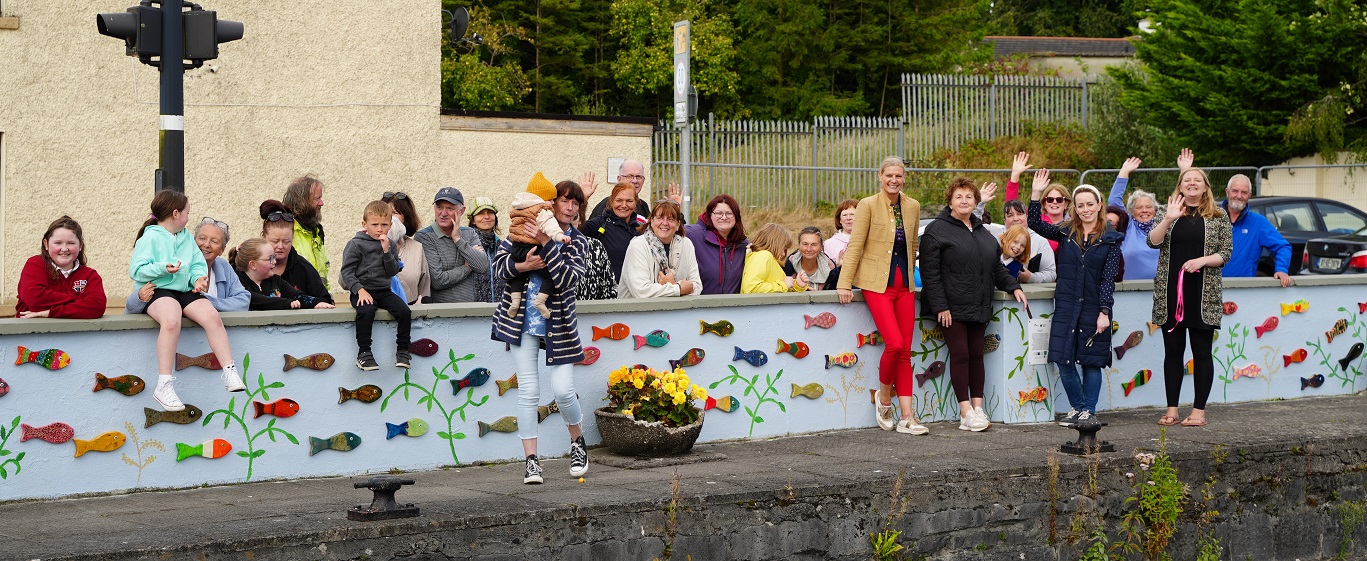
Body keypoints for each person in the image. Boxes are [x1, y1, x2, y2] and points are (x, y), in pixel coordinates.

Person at [490, 201, 590, 485]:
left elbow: (568, 279)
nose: (569, 208)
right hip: (521, 324)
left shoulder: (577, 241)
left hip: (559, 326)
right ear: (551, 205)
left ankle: (577, 441)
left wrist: (547, 243)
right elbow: (499, 268)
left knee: (563, 391)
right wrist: (524, 265)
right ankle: (531, 462)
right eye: (564, 201)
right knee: (528, 392)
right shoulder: (519, 231)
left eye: (575, 203)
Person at [919, 177, 1027, 433]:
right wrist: (940, 306)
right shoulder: (937, 230)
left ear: (976, 201)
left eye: (969, 197)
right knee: (961, 355)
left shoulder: (982, 231)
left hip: (979, 305)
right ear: (950, 202)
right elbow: (930, 273)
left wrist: (1014, 287)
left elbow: (996, 267)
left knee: (977, 356)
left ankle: (978, 407)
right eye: (959, 197)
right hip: (951, 308)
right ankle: (965, 411)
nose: (964, 201)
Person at [129, 190, 245, 411]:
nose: (189, 217)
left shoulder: (185, 237)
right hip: (159, 288)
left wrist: (198, 279)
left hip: (184, 290)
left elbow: (197, 264)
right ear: (175, 214)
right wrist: (163, 268)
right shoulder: (150, 237)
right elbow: (137, 270)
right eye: (187, 213)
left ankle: (229, 370)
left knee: (211, 314)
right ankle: (164, 384)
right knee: (172, 320)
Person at [836, 156, 927, 435]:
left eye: (899, 176)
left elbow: (912, 246)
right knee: (895, 344)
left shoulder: (912, 206)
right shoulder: (867, 205)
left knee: (906, 351)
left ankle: (908, 416)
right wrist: (845, 283)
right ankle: (884, 400)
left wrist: (912, 277)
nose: (894, 180)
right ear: (880, 176)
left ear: (904, 178)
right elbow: (856, 245)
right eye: (889, 175)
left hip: (905, 286)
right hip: (877, 285)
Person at [1028, 172, 1124, 426]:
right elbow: (1035, 223)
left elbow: (1107, 280)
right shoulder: (1065, 233)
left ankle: (1088, 410)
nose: (1085, 209)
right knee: (1063, 358)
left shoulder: (1111, 240)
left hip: (1094, 307)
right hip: (1067, 305)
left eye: (1090, 204)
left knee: (1092, 362)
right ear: (1074, 208)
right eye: (1080, 205)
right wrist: (1036, 194)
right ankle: (1077, 407)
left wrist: (1104, 311)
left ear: (1099, 205)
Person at [1149, 163, 1232, 428]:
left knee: (1202, 353)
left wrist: (1203, 261)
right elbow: (1153, 241)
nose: (1192, 183)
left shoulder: (1218, 216)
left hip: (1203, 295)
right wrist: (1168, 218)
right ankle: (1172, 409)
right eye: (1187, 180)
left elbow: (1225, 254)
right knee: (1173, 353)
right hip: (1170, 293)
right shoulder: (1167, 210)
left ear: (1206, 186)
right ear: (1180, 186)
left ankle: (1199, 411)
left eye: (1197, 180)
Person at [341, 201, 413, 371]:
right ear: (364, 225)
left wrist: (387, 251)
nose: (379, 229)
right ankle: (364, 353)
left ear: (390, 225)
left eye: (384, 225)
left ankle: (403, 350)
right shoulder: (356, 244)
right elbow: (347, 272)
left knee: (404, 311)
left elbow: (392, 271)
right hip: (361, 291)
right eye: (375, 225)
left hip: (383, 291)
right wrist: (360, 290)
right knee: (366, 311)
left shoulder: (390, 245)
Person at [127, 216, 250, 314]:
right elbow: (132, 306)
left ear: (222, 250)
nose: (206, 245)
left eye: (214, 241)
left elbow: (243, 300)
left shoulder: (223, 266)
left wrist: (204, 302)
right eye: (202, 238)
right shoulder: (178, 265)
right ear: (192, 241)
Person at [505, 172, 573, 316]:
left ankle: (514, 301)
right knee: (549, 275)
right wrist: (558, 237)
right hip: (534, 248)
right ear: (542, 199)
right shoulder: (542, 210)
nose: (553, 203)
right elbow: (498, 268)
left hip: (517, 247)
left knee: (518, 276)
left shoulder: (519, 208)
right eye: (552, 199)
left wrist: (520, 267)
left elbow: (569, 278)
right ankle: (540, 301)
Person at [17, 216, 107, 319]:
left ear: (80, 245)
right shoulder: (35, 265)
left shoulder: (90, 275)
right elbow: (35, 299)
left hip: (75, 334)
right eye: (58, 243)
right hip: (33, 333)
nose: (64, 249)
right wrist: (77, 297)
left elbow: (97, 306)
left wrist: (49, 313)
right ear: (46, 244)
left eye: (71, 243)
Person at [415, 187, 491, 303]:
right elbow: (438, 281)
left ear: (462, 211)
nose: (443, 213)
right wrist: (467, 267)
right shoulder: (425, 236)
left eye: (450, 208)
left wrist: (458, 239)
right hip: (439, 315)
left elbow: (483, 267)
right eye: (439, 207)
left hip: (469, 312)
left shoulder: (469, 233)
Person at [618, 200, 701, 298]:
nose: (665, 223)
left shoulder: (686, 244)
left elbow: (697, 286)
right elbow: (641, 291)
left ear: (678, 224)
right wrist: (677, 288)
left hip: (676, 312)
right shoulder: (638, 245)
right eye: (660, 218)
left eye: (670, 219)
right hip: (637, 312)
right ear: (651, 221)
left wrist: (672, 285)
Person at [1221, 173, 1293, 286]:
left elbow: (1283, 247)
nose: (1239, 196)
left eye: (1244, 192)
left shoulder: (1258, 223)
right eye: (1235, 191)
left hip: (1244, 290)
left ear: (1249, 195)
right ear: (1227, 192)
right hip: (1212, 290)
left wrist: (1281, 269)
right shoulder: (1212, 218)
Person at [259, 200, 334, 305]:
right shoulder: (250, 266)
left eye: (286, 242)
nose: (280, 246)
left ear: (293, 238)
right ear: (263, 237)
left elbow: (325, 300)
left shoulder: (303, 269)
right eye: (275, 241)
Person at [232, 238, 334, 311]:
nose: (275, 262)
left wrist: (317, 302)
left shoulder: (276, 281)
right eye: (270, 259)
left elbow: (296, 295)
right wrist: (286, 303)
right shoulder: (237, 283)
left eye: (274, 258)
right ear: (253, 264)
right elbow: (256, 300)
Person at [977, 198, 1057, 284]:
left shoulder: (1040, 241)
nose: (1016, 219)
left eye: (1019, 214)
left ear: (1027, 217)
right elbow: (972, 226)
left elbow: (1051, 274)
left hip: (1026, 293)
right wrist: (980, 203)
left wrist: (1031, 277)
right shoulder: (995, 233)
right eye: (1010, 215)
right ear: (1004, 220)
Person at [1108, 156, 1161, 281]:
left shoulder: (1163, 224)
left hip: (1161, 289)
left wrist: (1185, 171)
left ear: (1155, 209)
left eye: (1148, 207)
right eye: (1139, 207)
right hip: (1130, 290)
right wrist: (1124, 172)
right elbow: (1114, 202)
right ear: (1131, 211)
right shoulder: (1128, 225)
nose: (1144, 210)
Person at [683, 194, 748, 294]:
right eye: (718, 213)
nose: (724, 217)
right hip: (698, 306)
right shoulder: (692, 235)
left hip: (731, 308)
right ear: (710, 215)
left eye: (729, 213)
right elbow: (669, 231)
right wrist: (675, 209)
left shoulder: (743, 245)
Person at [582, 182, 644, 282]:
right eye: (619, 200)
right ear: (611, 202)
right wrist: (583, 200)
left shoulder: (640, 228)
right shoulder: (600, 223)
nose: (624, 205)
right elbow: (574, 231)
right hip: (607, 293)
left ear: (635, 202)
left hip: (635, 291)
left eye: (629, 201)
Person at [584, 159, 682, 221]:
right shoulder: (605, 205)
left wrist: (674, 209)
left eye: (638, 177)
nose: (634, 181)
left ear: (643, 180)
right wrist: (583, 199)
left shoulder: (643, 206)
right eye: (629, 176)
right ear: (619, 179)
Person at [283, 176, 330, 291]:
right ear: (302, 201)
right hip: (297, 304)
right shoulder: (286, 230)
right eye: (317, 198)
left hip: (320, 303)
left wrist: (327, 296)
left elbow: (323, 274)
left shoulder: (316, 231)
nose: (322, 203)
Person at [384, 191, 431, 305]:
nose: (390, 218)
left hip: (410, 313)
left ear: (406, 217)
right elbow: (346, 281)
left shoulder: (417, 248)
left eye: (395, 213)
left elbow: (424, 288)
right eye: (386, 213)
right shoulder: (366, 244)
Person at [742, 224, 808, 294]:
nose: (783, 254)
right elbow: (751, 288)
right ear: (773, 244)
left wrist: (797, 285)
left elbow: (779, 290)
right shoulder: (763, 255)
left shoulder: (770, 260)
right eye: (783, 248)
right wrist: (783, 285)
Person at [464, 195, 505, 304]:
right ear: (473, 220)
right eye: (481, 213)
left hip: (500, 311)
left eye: (490, 212)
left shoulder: (503, 246)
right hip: (475, 312)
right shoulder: (467, 247)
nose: (486, 216)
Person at [784, 226, 841, 290]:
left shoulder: (832, 270)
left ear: (821, 247)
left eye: (814, 244)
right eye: (805, 244)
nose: (809, 249)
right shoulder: (786, 266)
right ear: (799, 245)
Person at [824, 199, 858, 265]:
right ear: (840, 220)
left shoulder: (870, 240)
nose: (848, 218)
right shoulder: (828, 245)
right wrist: (837, 266)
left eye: (852, 214)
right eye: (844, 215)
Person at [1105, 205, 1129, 282]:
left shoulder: (1115, 252)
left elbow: (1117, 277)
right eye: (1104, 220)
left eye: (1111, 224)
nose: (1106, 225)